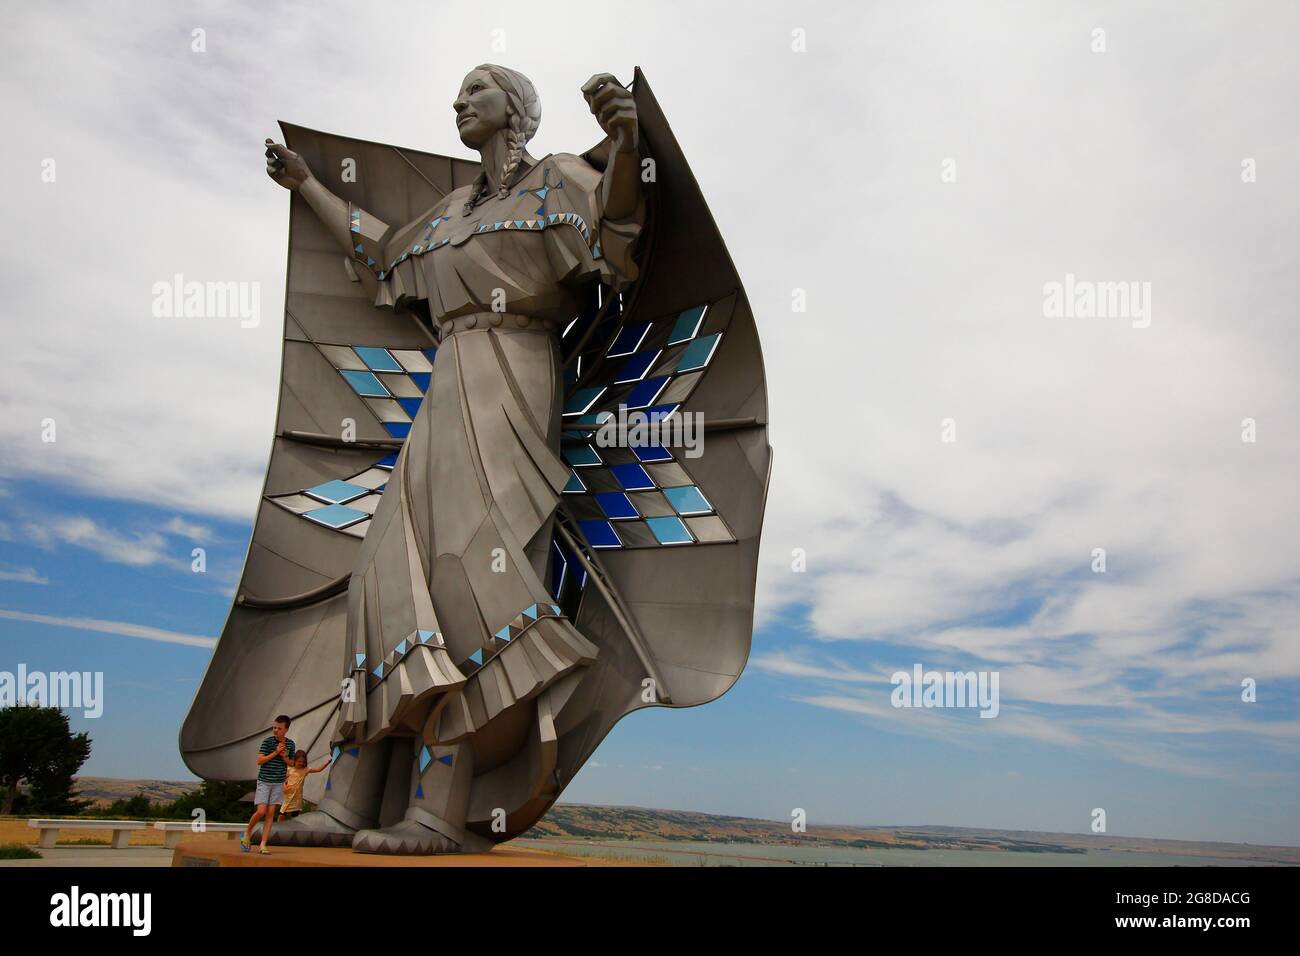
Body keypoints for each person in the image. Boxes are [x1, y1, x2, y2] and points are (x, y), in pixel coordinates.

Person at [241, 715, 296, 854]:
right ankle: (247, 833)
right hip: (265, 781)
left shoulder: (290, 744)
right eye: (274, 727)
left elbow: (292, 763)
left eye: (279, 728)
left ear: (286, 729)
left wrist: (284, 757)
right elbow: (259, 760)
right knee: (261, 811)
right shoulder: (268, 742)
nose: (276, 730)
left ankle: (263, 844)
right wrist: (275, 752)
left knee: (271, 813)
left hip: (278, 783)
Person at [278, 751, 331, 821]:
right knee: (282, 813)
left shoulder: (305, 770)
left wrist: (328, 762)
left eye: (303, 762)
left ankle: (293, 829)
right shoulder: (290, 769)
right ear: (295, 760)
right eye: (299, 761)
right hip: (288, 795)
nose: (301, 763)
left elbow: (318, 769)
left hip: (297, 797)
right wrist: (284, 786)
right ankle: (278, 827)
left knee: (295, 816)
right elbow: (282, 779)